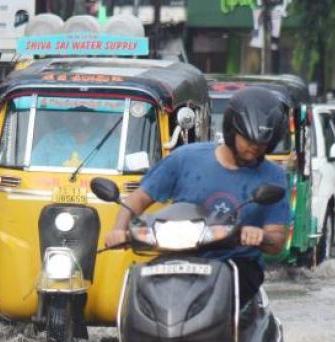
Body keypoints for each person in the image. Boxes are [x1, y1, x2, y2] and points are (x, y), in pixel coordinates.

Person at [104, 86, 290, 306]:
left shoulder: (274, 177)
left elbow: (277, 240)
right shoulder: (185, 159)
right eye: (248, 140)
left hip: (236, 266)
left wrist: (259, 235)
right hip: (177, 257)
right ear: (232, 131)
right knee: (141, 296)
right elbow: (138, 199)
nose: (255, 148)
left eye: (262, 145)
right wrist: (119, 230)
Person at [30, 108, 122, 169]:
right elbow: (32, 171)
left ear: (92, 116)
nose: (74, 118)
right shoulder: (51, 140)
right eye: (70, 114)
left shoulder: (111, 142)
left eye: (80, 114)